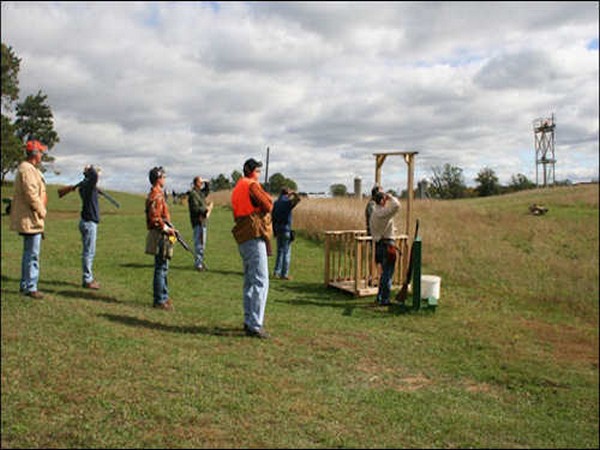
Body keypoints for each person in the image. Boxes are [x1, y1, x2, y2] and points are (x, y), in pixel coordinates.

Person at [231, 158, 273, 339]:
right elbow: (268, 204)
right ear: (251, 171)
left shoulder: (238, 186)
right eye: (257, 171)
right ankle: (255, 324)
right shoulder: (252, 185)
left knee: (250, 281)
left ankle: (249, 321)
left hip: (242, 235)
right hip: (254, 235)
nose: (259, 174)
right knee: (260, 281)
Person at [10, 139, 48, 299]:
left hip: (31, 218)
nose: (42, 155)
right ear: (35, 154)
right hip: (31, 218)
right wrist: (42, 212)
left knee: (29, 253)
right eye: (40, 152)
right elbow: (31, 195)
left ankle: (26, 284)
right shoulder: (27, 170)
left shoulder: (28, 169)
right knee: (32, 254)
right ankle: (30, 286)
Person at [145, 166, 177, 311]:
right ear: (158, 179)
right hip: (160, 234)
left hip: (163, 233)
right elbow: (155, 218)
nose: (165, 179)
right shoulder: (156, 196)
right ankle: (159, 299)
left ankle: (163, 296)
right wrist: (167, 228)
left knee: (163, 267)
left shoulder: (158, 194)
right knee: (161, 267)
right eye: (163, 177)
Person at [369, 191, 401, 306]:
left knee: (384, 273)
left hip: (379, 244)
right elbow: (397, 205)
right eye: (384, 199)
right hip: (388, 245)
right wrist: (390, 197)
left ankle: (379, 297)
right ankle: (384, 299)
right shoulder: (383, 212)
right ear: (382, 201)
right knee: (388, 274)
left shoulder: (374, 213)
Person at [78, 165, 102, 289]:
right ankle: (87, 279)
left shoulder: (85, 186)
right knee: (89, 252)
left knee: (88, 251)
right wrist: (91, 168)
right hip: (89, 222)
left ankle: (87, 277)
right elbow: (95, 176)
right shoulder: (88, 185)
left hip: (86, 221)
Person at [272, 187, 301, 280]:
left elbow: (273, 217)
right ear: (287, 193)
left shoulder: (276, 203)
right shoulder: (287, 203)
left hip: (277, 228)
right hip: (286, 229)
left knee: (279, 252)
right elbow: (298, 199)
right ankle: (284, 274)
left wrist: (274, 231)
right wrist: (293, 193)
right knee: (286, 252)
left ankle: (276, 272)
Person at [188, 176, 213, 272]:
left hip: (203, 221)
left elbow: (207, 191)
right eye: (200, 182)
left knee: (202, 244)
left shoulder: (200, 193)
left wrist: (206, 182)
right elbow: (195, 209)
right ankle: (198, 264)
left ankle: (199, 262)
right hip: (197, 222)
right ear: (195, 183)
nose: (201, 183)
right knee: (199, 244)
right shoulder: (193, 194)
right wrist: (206, 210)